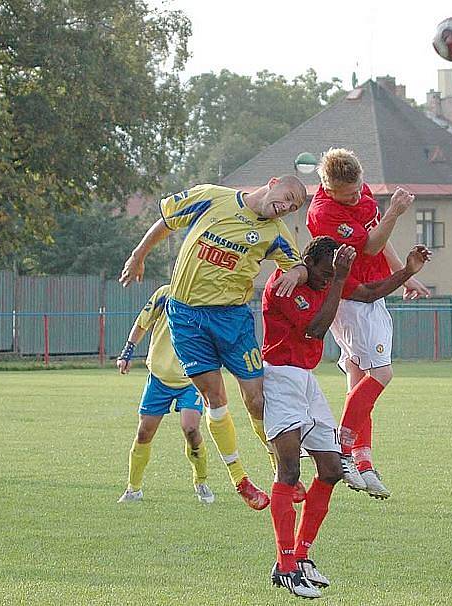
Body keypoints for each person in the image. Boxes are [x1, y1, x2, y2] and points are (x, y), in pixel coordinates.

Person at [120, 178, 308, 510]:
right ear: (273, 184)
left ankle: (281, 469)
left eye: (293, 207)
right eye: (288, 198)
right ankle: (240, 480)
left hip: (232, 320)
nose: (286, 207)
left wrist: (297, 273)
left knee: (257, 400)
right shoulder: (210, 197)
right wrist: (138, 255)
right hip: (187, 318)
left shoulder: (276, 233)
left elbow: (298, 264)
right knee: (214, 398)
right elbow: (167, 220)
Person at [262, 236, 431, 598]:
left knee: (332, 470)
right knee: (289, 472)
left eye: (331, 274)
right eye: (322, 273)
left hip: (306, 381)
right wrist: (337, 279)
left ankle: (302, 556)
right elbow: (315, 329)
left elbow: (369, 291)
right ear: (307, 262)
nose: (326, 280)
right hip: (279, 379)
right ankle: (286, 566)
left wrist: (406, 272)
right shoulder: (287, 283)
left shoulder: (329, 279)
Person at [306, 148, 430, 499]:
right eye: (347, 194)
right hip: (352, 299)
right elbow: (372, 246)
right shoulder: (325, 213)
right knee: (382, 374)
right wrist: (395, 210)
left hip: (373, 295)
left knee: (360, 382)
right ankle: (341, 449)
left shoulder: (361, 197)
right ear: (328, 189)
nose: (355, 196)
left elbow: (381, 236)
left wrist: (404, 277)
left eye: (358, 188)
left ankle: (363, 461)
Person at [116, 284, 214, 505]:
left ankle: (201, 481)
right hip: (159, 377)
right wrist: (127, 352)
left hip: (192, 378)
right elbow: (142, 322)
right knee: (144, 433)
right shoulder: (165, 294)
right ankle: (134, 489)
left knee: (190, 428)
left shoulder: (208, 296)